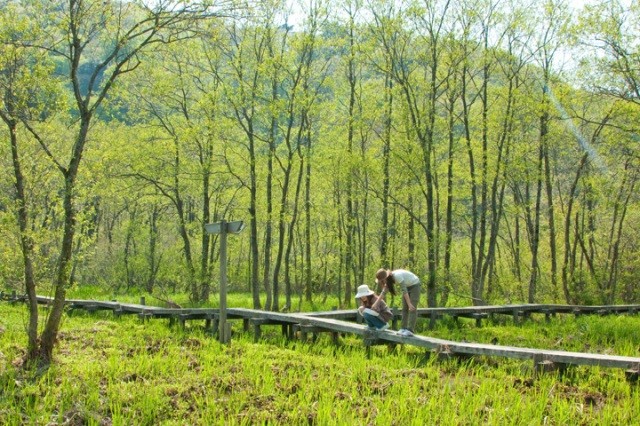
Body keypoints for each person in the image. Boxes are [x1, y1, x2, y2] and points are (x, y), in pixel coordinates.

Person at [376, 268, 420, 335]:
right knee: (404, 309)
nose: (382, 282)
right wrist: (376, 304)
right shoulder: (389, 281)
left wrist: (409, 304)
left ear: (385, 278)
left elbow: (404, 291)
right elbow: (383, 293)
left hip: (415, 285)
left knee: (412, 308)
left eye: (382, 281)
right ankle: (403, 328)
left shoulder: (397, 276)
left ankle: (410, 330)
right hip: (407, 287)